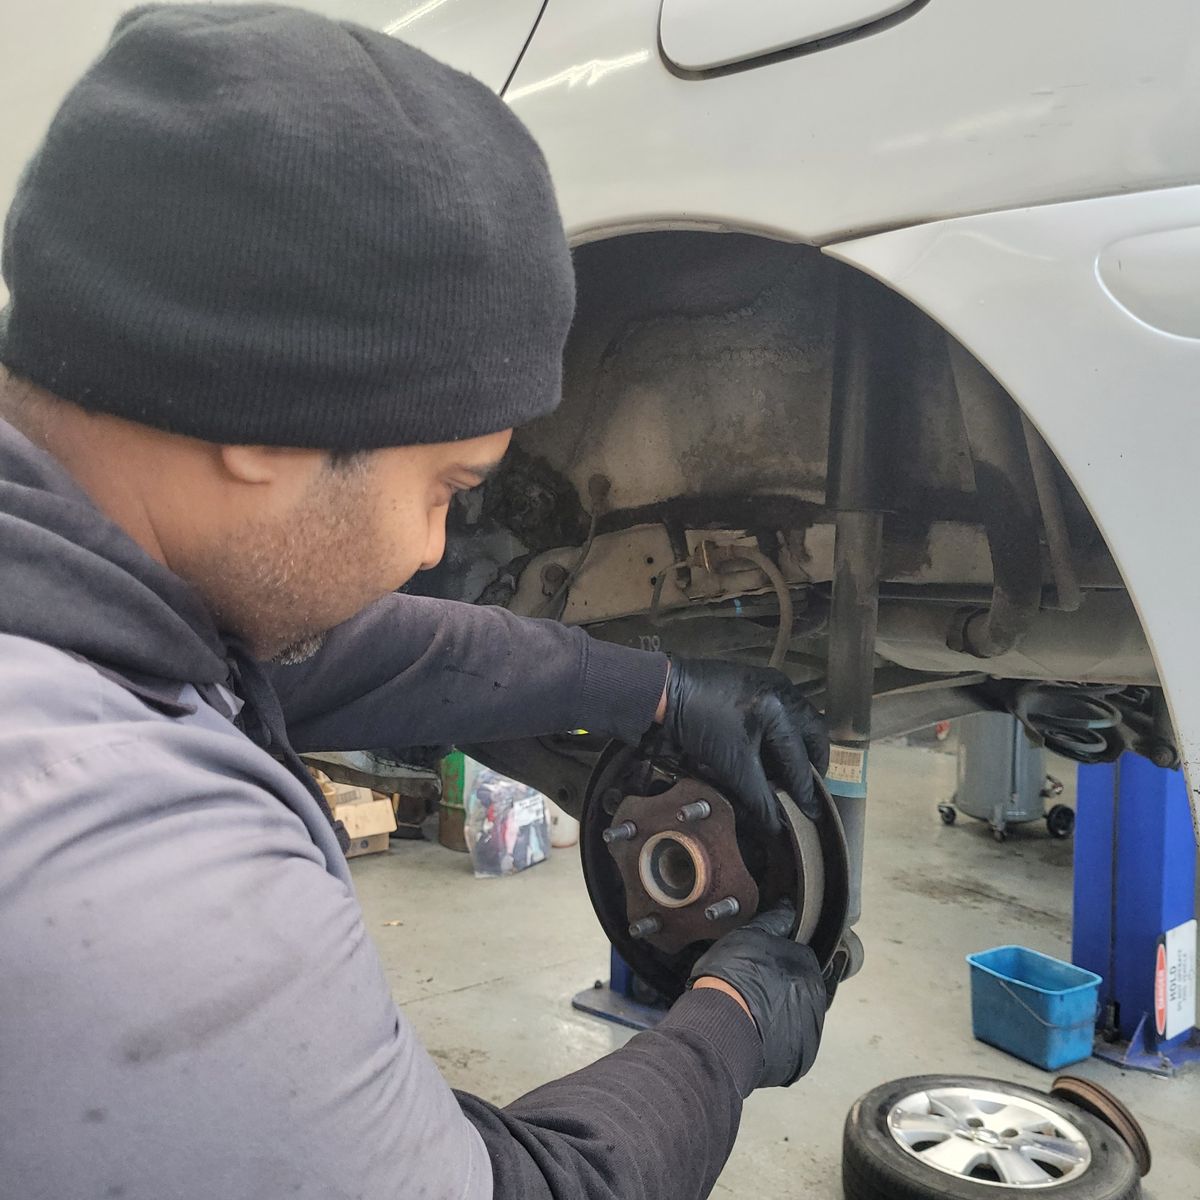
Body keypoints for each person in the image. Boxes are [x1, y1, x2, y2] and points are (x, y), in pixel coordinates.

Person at [0, 7, 832, 1198]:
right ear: (263, 427)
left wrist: (651, 688)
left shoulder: (66, 585)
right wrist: (731, 1022)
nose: (435, 546)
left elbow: (336, 658)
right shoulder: (134, 876)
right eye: (447, 487)